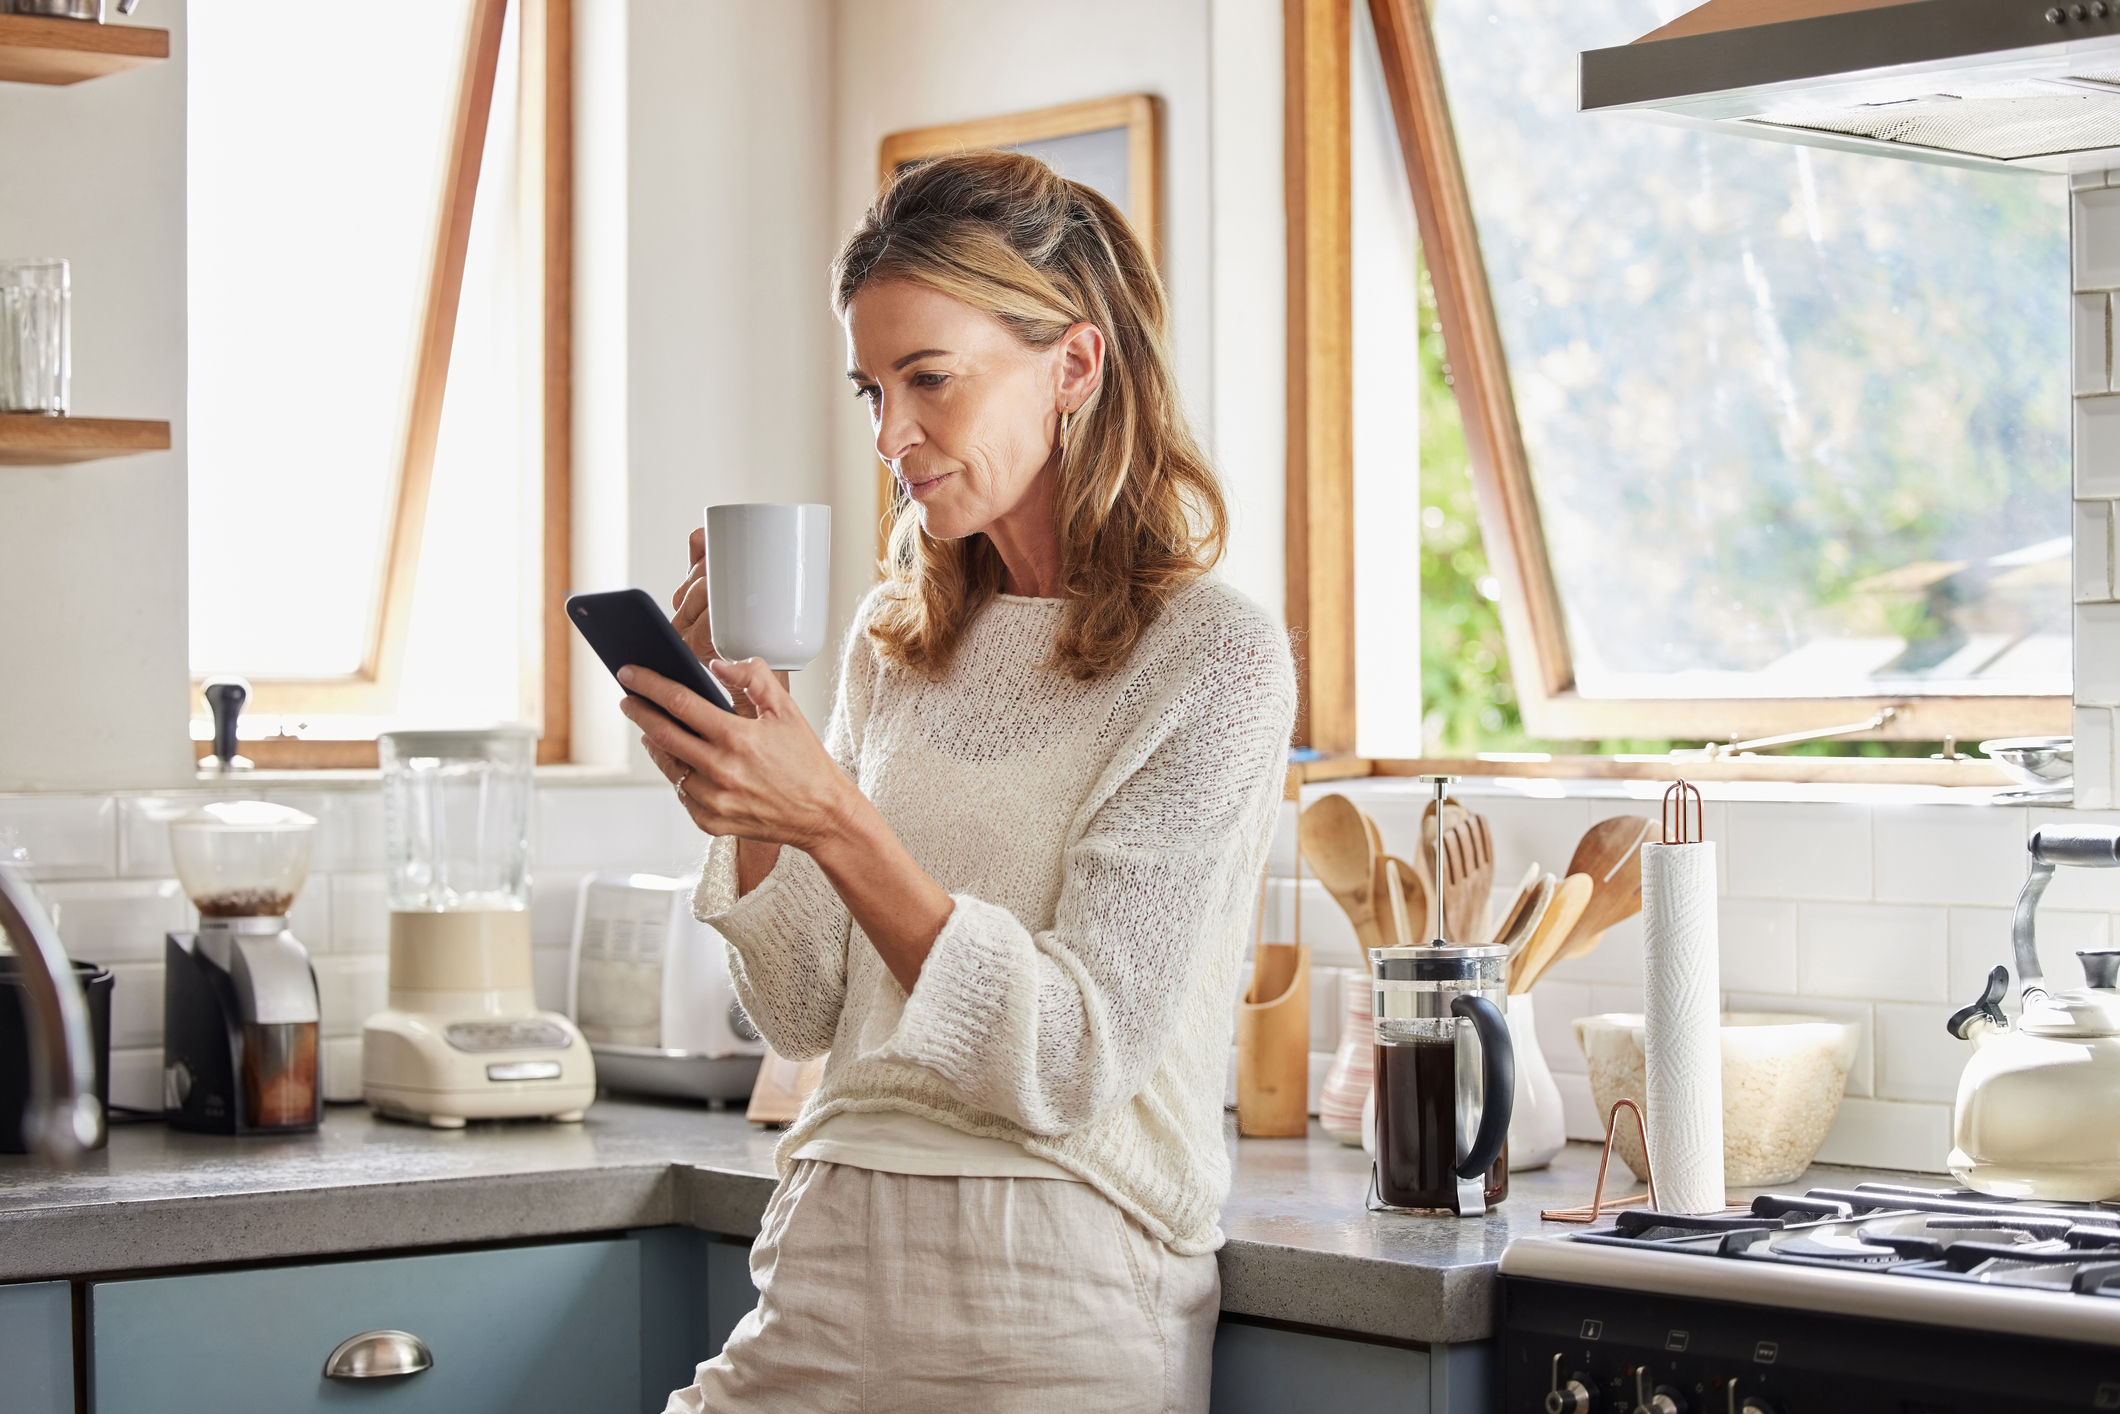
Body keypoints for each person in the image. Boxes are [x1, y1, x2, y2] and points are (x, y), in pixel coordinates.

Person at [622, 150, 1295, 1414]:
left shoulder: (1212, 660)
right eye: (872, 390)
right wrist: (746, 791)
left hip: (1057, 1284)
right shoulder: (901, 639)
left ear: (1074, 365)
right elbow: (802, 1011)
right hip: (827, 1248)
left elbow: (1065, 1057)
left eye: (929, 379)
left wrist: (829, 811)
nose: (890, 435)